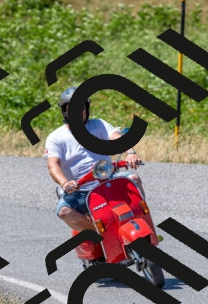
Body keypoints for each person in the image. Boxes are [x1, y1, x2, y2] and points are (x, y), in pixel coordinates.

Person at [45, 86, 144, 232]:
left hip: (109, 181)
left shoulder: (98, 125)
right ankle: (98, 235)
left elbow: (117, 138)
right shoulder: (56, 138)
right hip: (81, 191)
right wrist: (65, 183)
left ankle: (141, 220)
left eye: (81, 108)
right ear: (65, 111)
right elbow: (53, 165)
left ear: (86, 109)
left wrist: (131, 152)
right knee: (64, 211)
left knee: (133, 179)